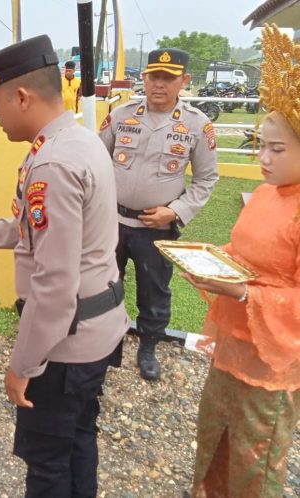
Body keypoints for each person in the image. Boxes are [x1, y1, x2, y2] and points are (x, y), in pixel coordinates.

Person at [0, 34, 129, 497]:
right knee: (78, 441)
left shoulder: (54, 163)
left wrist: (23, 364)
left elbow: (54, 284)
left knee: (46, 460)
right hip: (95, 330)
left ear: (21, 96)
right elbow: (33, 228)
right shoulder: (78, 142)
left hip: (64, 348)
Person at [183, 24, 300, 498]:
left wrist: (246, 291)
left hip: (270, 364)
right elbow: (247, 253)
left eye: (277, 149)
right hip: (233, 346)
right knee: (215, 436)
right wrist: (215, 260)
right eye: (260, 146)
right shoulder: (269, 196)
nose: (263, 159)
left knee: (258, 456)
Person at [99, 48, 219, 381]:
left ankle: (148, 345)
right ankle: (107, 341)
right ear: (145, 78)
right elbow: (95, 159)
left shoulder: (196, 124)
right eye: (154, 77)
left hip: (156, 227)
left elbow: (207, 178)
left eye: (168, 78)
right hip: (112, 221)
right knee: (106, 282)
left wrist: (175, 211)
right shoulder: (122, 115)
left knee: (154, 289)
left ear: (184, 81)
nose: (159, 84)